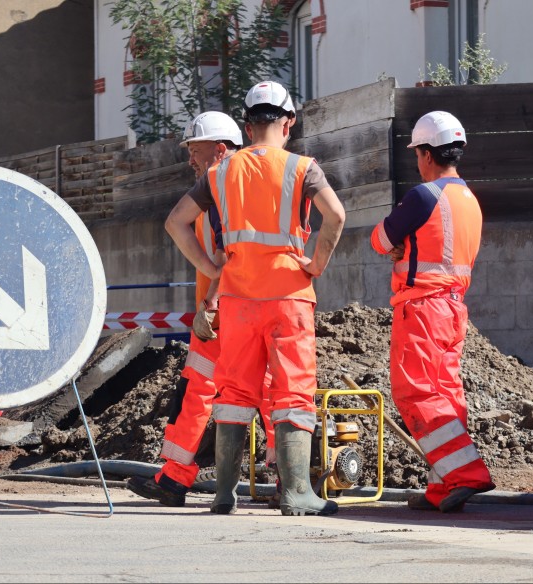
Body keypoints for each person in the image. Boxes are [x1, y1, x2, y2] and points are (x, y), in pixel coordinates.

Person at [165, 80, 345, 516]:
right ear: (288, 123)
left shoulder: (220, 171)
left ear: (247, 128)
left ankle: (224, 494)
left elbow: (175, 223)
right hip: (289, 297)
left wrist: (212, 271)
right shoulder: (303, 167)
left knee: (232, 393)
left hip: (237, 300)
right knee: (292, 394)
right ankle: (297, 492)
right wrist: (315, 264)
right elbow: (336, 215)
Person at [127, 111, 276, 507]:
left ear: (220, 149)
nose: (190, 159)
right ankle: (177, 477)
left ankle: (179, 478)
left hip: (226, 313)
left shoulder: (222, 192)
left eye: (195, 150)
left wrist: (210, 300)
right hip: (234, 310)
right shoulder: (231, 189)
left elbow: (231, 256)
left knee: (238, 390)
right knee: (225, 389)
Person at [370, 111, 495, 513]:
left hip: (422, 308)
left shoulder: (424, 195)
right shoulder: (470, 200)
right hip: (455, 310)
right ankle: (443, 487)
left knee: (417, 393)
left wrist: (399, 246)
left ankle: (465, 475)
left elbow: (380, 238)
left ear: (425, 154)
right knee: (447, 396)